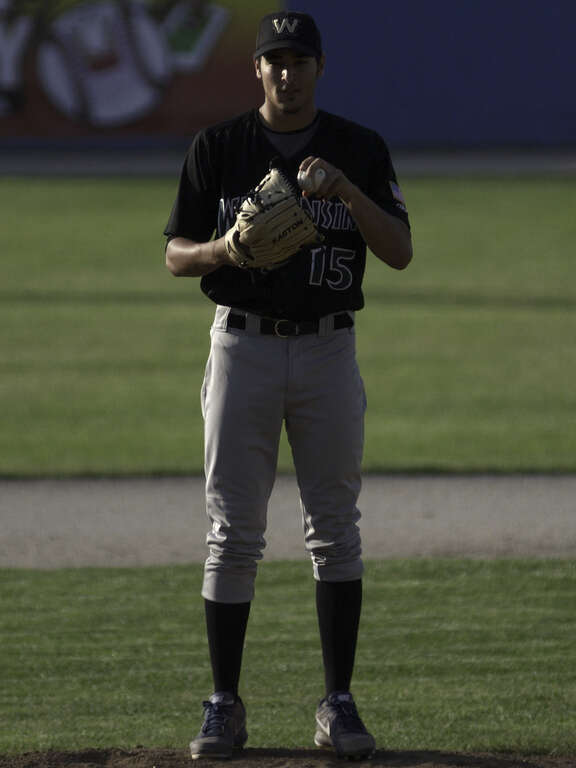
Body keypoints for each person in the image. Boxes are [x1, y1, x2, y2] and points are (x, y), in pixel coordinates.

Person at [164, 10, 412, 761]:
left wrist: (348, 190)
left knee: (335, 529)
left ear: (319, 68)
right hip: (241, 345)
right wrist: (224, 248)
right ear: (258, 69)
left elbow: (399, 249)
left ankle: (338, 704)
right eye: (274, 59)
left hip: (329, 348)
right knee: (232, 533)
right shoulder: (218, 147)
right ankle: (223, 704)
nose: (286, 72)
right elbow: (175, 254)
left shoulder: (358, 147)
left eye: (299, 60)